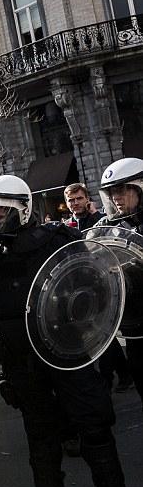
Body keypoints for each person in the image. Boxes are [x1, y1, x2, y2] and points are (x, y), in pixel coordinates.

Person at [0, 175, 137, 487]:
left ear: (23, 211)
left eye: (1, 210)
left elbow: (92, 288)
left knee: (96, 433)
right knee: (40, 439)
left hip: (69, 355)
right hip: (23, 362)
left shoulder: (57, 241)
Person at [64, 182, 135, 394]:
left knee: (108, 333)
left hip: (108, 282)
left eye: (79, 198)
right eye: (71, 200)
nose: (75, 203)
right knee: (101, 334)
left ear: (87, 199)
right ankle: (118, 374)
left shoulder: (101, 221)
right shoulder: (67, 227)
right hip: (87, 287)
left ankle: (116, 375)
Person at [95, 157, 143, 406]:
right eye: (112, 192)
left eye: (122, 190)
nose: (116, 198)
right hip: (133, 325)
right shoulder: (105, 228)